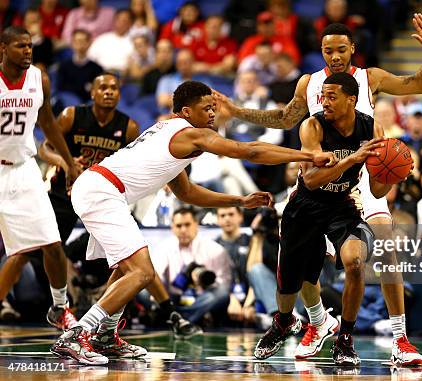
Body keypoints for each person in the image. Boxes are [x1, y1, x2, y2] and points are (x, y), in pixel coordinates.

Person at [50, 80, 336, 365]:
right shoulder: (191, 135)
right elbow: (249, 151)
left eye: (214, 108)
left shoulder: (169, 134)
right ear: (187, 112)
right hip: (103, 191)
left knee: (126, 269)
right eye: (206, 109)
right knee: (142, 273)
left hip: (102, 189)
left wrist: (238, 201)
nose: (212, 114)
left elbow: (187, 192)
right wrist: (309, 155)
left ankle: (106, 337)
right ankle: (78, 333)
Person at [214, 18, 422, 366]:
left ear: (352, 48)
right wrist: (237, 111)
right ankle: (318, 322)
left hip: (361, 172)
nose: (334, 56)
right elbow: (285, 118)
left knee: (385, 250)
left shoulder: (370, 78)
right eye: (327, 50)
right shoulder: (309, 83)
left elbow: (420, 84)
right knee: (302, 256)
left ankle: (400, 339)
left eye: (340, 49)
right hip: (320, 173)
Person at [40, 73, 201, 339]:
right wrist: (67, 163)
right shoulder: (71, 116)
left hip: (105, 196)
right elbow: (45, 148)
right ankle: (65, 307)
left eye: (114, 88)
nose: (108, 92)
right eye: (102, 87)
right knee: (46, 250)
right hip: (64, 193)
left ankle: (159, 314)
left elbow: (141, 161)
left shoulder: (128, 127)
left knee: (135, 256)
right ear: (92, 92)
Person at [253, 72, 389, 365]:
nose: (323, 101)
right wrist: (352, 160)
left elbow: (378, 188)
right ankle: (283, 321)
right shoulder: (312, 126)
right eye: (322, 96)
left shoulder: (372, 128)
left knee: (355, 263)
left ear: (352, 99)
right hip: (305, 204)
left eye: (331, 96)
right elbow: (312, 180)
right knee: (290, 281)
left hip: (341, 204)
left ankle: (345, 339)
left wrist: (391, 172)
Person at [0, 26, 81, 332]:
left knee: (51, 242)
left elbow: (47, 122)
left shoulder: (39, 78)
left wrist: (69, 162)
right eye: (20, 46)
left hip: (23, 168)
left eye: (30, 46)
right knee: (18, 255)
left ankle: (60, 306)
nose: (28, 51)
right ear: (3, 49)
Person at [149, 207, 232, 326]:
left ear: (196, 225)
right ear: (172, 228)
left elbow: (224, 283)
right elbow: (154, 276)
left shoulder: (215, 249)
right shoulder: (163, 248)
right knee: (145, 291)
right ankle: (187, 318)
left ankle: (177, 319)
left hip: (203, 297)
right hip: (172, 298)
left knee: (222, 293)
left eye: (187, 225)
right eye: (178, 226)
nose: (183, 230)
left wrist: (203, 282)